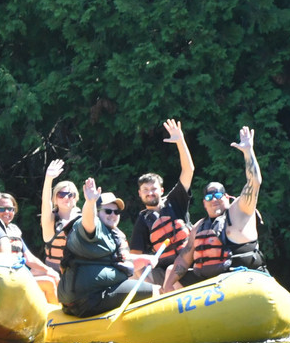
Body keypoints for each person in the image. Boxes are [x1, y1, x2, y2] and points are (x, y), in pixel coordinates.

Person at [164, 126, 266, 291]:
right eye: (209, 197)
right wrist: (167, 287)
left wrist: (248, 151)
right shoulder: (198, 227)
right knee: (171, 272)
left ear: (226, 197)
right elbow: (183, 260)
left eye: (218, 196)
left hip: (240, 277)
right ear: (204, 203)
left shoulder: (240, 209)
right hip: (210, 284)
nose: (214, 200)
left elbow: (254, 182)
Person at [57, 179, 155, 317]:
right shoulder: (91, 227)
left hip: (91, 296)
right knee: (153, 291)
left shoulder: (113, 233)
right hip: (86, 300)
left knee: (138, 283)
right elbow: (88, 222)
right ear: (97, 212)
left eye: (116, 212)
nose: (113, 215)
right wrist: (90, 203)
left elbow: (118, 261)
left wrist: (144, 259)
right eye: (108, 211)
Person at [129, 119, 195, 284]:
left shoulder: (175, 200)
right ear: (140, 194)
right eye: (145, 190)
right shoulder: (142, 220)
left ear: (161, 190)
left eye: (153, 189)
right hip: (164, 269)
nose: (150, 193)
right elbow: (135, 257)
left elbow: (189, 170)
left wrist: (180, 141)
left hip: (189, 261)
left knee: (173, 275)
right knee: (134, 272)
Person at [0, 191, 61, 303]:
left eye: (10, 209)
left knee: (54, 277)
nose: (6, 212)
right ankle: (55, 317)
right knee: (49, 283)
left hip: (20, 272)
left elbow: (28, 257)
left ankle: (53, 310)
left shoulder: (14, 229)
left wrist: (49, 269)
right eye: (2, 209)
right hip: (6, 278)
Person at [40, 159, 81, 273]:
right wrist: (48, 179)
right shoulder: (51, 221)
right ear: (55, 199)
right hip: (56, 274)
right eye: (61, 194)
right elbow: (45, 203)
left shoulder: (83, 219)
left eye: (70, 195)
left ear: (76, 198)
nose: (66, 198)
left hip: (78, 273)